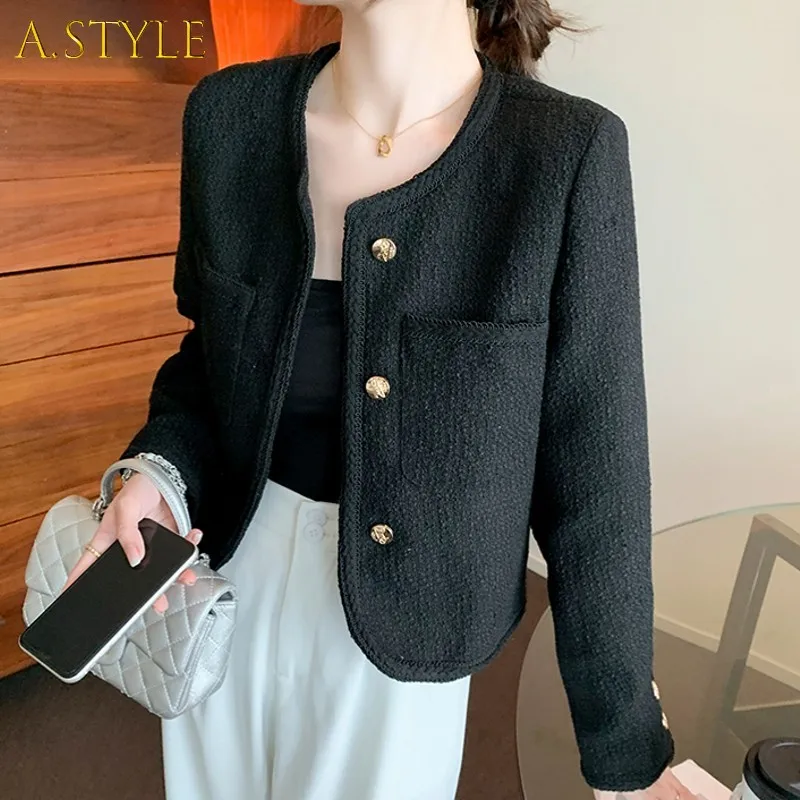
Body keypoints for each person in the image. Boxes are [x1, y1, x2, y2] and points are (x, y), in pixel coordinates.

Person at [65, 1, 699, 798]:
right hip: (216, 588)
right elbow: (207, 361)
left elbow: (594, 477)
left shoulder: (561, 153)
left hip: (413, 625)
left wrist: (626, 750)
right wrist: (157, 472)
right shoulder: (229, 117)